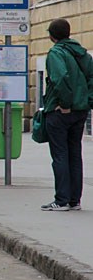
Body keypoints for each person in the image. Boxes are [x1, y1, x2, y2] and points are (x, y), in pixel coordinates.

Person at [41, 18, 93, 211]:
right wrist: (87, 102)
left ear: (51, 35)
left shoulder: (56, 53)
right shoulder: (81, 52)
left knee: (60, 155)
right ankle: (74, 200)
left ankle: (61, 200)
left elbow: (60, 78)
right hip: (80, 111)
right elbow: (91, 77)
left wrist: (65, 104)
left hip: (61, 111)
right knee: (74, 154)